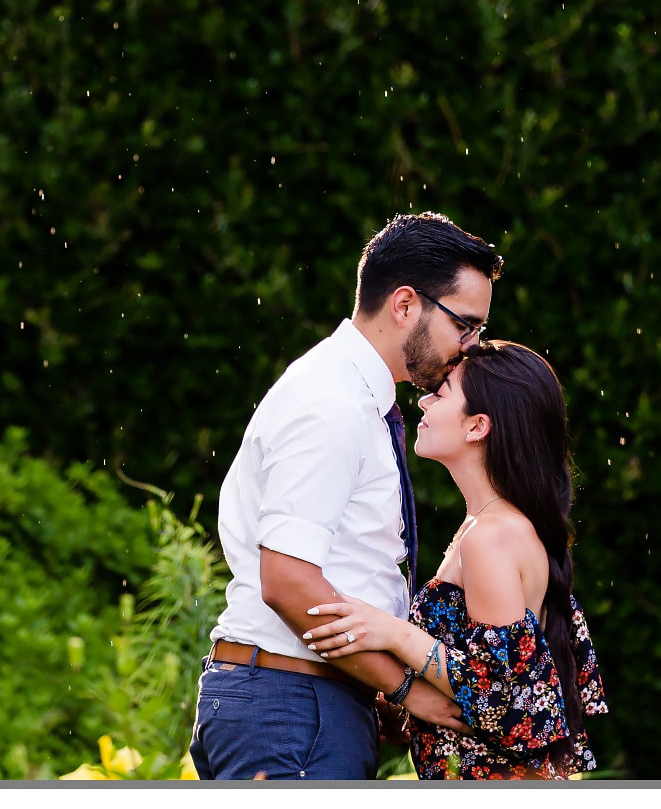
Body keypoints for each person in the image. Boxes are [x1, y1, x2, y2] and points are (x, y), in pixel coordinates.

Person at [188, 212, 504, 780]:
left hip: (298, 700)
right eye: (466, 326)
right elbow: (287, 581)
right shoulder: (331, 403)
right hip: (292, 706)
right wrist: (407, 687)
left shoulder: (354, 397)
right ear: (406, 305)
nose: (469, 348)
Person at [298, 339, 607, 779]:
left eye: (441, 393)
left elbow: (499, 693)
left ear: (477, 426)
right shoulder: (488, 526)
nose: (424, 399)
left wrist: (394, 633)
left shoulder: (492, 536)